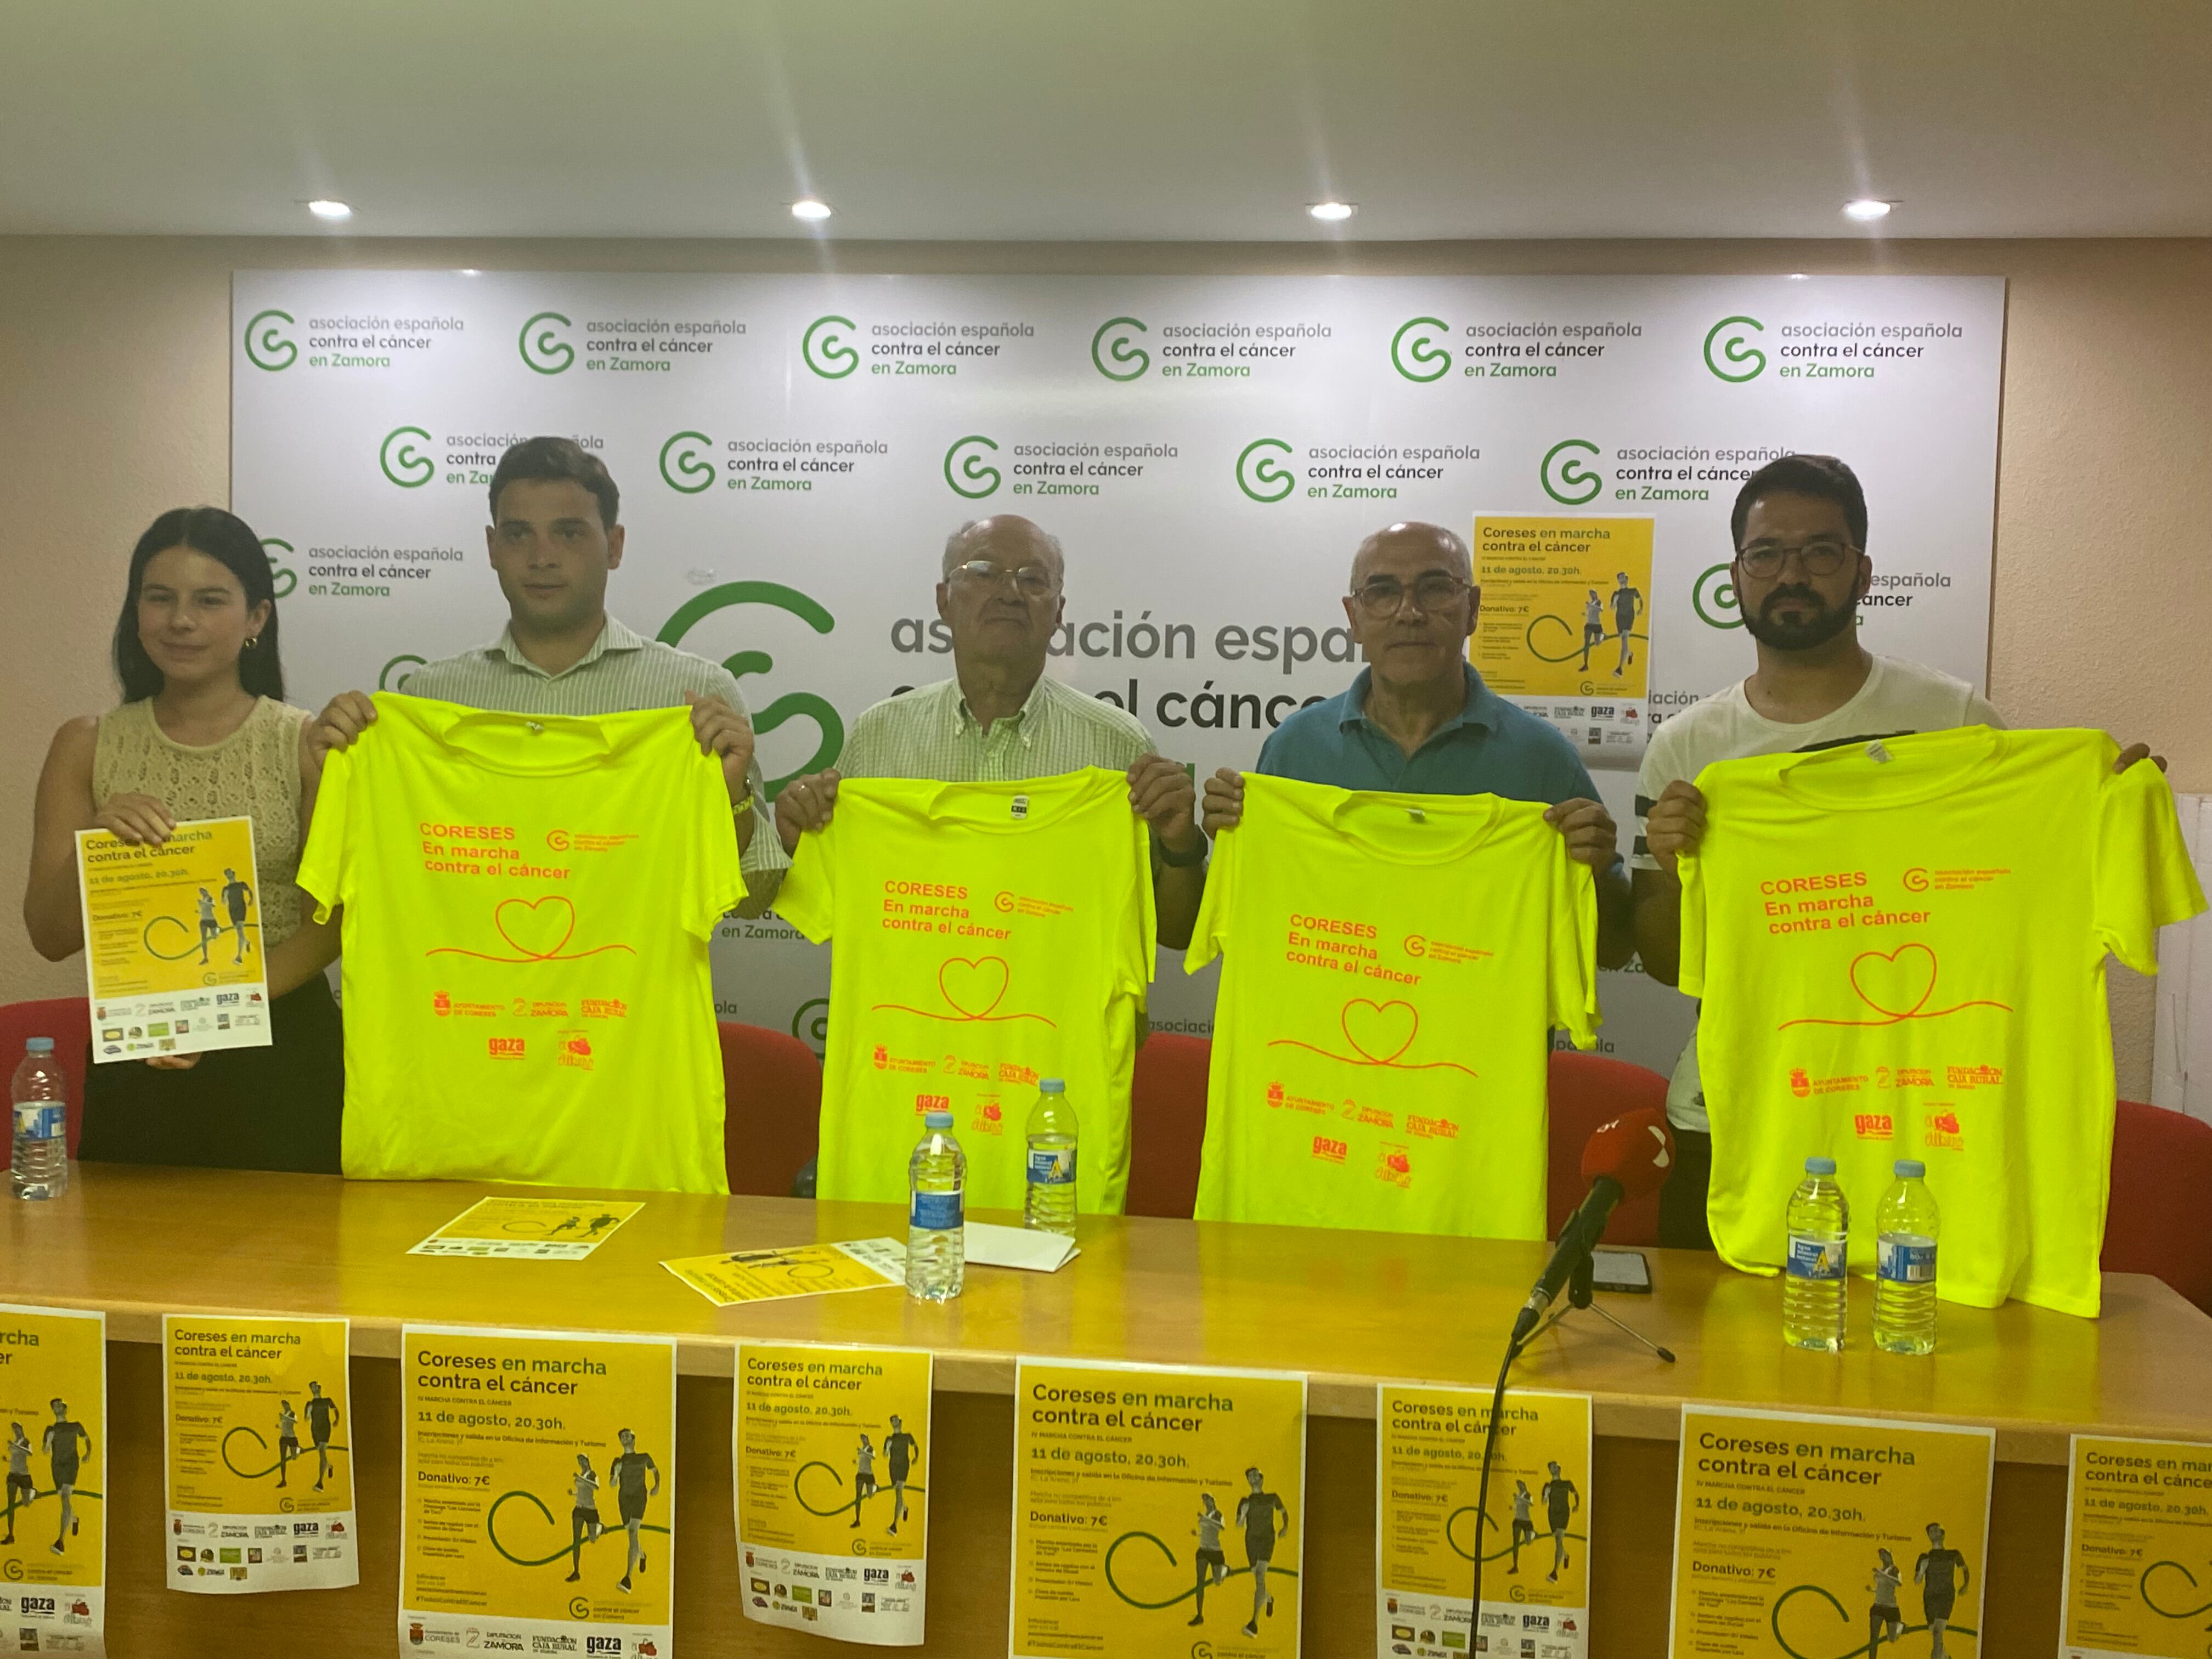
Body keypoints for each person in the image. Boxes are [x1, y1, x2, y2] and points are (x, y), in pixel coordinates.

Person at [1632, 454, 2160, 1247]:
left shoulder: (1957, 722)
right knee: (1721, 1360)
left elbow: (2030, 892)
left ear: (1863, 572)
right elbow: (1672, 967)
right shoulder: (1688, 749)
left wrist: (2109, 813)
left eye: (1822, 551)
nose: (1793, 574)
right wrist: (1675, 876)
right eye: (1767, 554)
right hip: (1740, 1110)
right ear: (1736, 576)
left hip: (1920, 1111)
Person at [303, 437, 787, 916]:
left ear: (614, 546)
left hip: (631, 991)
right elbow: (373, 878)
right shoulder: (427, 699)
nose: (541, 557)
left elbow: (756, 897)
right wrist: (337, 781)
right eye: (517, 535)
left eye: (569, 533)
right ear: (492, 547)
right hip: (469, 987)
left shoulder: (694, 697)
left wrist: (731, 798)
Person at [22, 506, 345, 1172]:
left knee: (292, 1269)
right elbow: (50, 936)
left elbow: (331, 923)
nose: (181, 621)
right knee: (127, 1264)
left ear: (256, 618)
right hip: (141, 1054)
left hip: (283, 1048)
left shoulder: (305, 744)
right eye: (159, 598)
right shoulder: (85, 745)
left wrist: (216, 1007)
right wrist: (95, 844)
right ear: (135, 612)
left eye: (209, 600)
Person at [1203, 521, 1634, 968]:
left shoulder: (1542, 757)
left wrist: (1597, 872)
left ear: (1473, 609)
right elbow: (1251, 926)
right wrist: (1234, 848)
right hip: (1321, 1031)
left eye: (1436, 588)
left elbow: (1616, 951)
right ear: (1354, 618)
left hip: (1486, 1034)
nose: (1410, 612)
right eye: (1384, 592)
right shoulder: (1295, 747)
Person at [775, 515, 1205, 944]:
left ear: (1058, 612)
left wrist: (1181, 847)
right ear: (944, 601)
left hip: (1061, 1012)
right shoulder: (880, 737)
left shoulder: (1118, 744)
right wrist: (803, 843)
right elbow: (836, 913)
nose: (1010, 592)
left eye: (1033, 579)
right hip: (909, 1010)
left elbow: (1174, 932)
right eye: (983, 572)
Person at [1235, 1465, 1289, 1639]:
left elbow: (1283, 1511)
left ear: (1261, 1478)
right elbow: (1238, 1524)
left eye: (1255, 1475)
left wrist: (1285, 1527)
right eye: (1250, 1476)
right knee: (1259, 1579)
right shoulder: (1245, 1501)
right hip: (1251, 1542)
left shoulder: (1272, 1498)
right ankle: (1269, 1598)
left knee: (1260, 1576)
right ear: (1249, 1481)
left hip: (1267, 1540)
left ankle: (1254, 1623)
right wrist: (1243, 1515)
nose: (1253, 1478)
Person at [608, 1428, 658, 1593]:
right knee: (632, 1534)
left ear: (633, 1439)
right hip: (624, 1500)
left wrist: (656, 1485)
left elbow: (655, 1471)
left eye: (627, 1436)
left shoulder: (643, 1457)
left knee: (632, 1533)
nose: (624, 1438)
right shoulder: (617, 1461)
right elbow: (613, 1484)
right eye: (622, 1437)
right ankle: (642, 1555)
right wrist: (616, 1474)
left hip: (639, 1497)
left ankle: (627, 1578)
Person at [42, 1398, 89, 1556]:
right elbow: (45, 1451)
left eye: (59, 1405)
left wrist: (88, 1453)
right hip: (56, 1466)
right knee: (64, 1500)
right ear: (53, 1411)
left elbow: (87, 1439)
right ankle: (74, 1518)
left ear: (64, 1408)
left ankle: (61, 1541)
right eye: (54, 1406)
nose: (57, 1407)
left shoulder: (75, 1426)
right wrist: (49, 1441)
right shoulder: (50, 1428)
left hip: (71, 1464)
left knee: (65, 1498)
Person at [1915, 1522, 1967, 1659]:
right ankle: (1945, 1657)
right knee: (1936, 1635)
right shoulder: (1924, 1557)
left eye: (1937, 1530)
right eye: (1931, 1532)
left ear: (1943, 1534)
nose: (1934, 1533)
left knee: (1938, 1633)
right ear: (1929, 1536)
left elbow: (1965, 1569)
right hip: (1930, 1598)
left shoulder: (1953, 1554)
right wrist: (1922, 1570)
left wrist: (1965, 1585)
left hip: (1946, 1595)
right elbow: (1917, 1581)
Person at [1189, 1492, 1229, 1626]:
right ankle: (1199, 1615)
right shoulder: (1204, 1517)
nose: (1206, 1502)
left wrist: (1206, 1519)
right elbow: (1207, 1532)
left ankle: (1225, 1570)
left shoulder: (1217, 1514)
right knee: (1200, 1582)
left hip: (1215, 1552)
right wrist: (1198, 1534)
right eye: (1204, 1500)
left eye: (1208, 1499)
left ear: (1213, 1500)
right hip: (1203, 1551)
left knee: (1217, 1581)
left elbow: (1221, 1527)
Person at [565, 1454, 602, 1583]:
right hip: (579, 1510)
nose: (581, 1462)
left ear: (588, 1461)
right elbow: (583, 1491)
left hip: (591, 1511)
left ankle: (600, 1528)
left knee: (592, 1539)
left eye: (583, 1460)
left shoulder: (592, 1474)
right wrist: (574, 1493)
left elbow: (595, 1487)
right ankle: (576, 1572)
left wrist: (580, 1478)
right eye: (579, 1460)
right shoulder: (581, 1474)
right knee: (576, 1541)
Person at [1541, 1459, 1579, 1580]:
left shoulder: (1567, 1483)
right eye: (1551, 1468)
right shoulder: (1548, 1485)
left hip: (1563, 1513)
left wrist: (1577, 1505)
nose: (1553, 1469)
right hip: (1552, 1514)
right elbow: (1543, 1502)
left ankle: (1555, 1572)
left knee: (1558, 1539)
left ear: (1559, 1469)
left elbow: (1576, 1493)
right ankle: (1566, 1555)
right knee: (1559, 1541)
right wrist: (1546, 1494)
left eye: (1554, 1467)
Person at [884, 1414, 918, 1537]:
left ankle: (894, 1526)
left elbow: (915, 1447)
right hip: (893, 1467)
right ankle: (905, 1507)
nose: (894, 1422)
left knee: (899, 1492)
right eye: (892, 1421)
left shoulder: (907, 1437)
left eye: (896, 1420)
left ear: (900, 1421)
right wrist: (888, 1447)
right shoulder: (889, 1439)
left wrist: (916, 1458)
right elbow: (885, 1454)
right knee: (898, 1493)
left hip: (904, 1466)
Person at [1868, 1547, 1905, 1657]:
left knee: (1892, 1639)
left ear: (1890, 1556)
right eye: (1881, 1554)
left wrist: (1883, 1575)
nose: (1882, 1556)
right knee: (1874, 1637)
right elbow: (1882, 1588)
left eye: (1885, 1554)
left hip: (1891, 1607)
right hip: (1878, 1606)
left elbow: (1898, 1583)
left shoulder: (1894, 1569)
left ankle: (1901, 1627)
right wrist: (1872, 1590)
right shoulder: (1879, 1570)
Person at [304, 1380, 339, 1491]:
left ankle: (320, 1482)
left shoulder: (327, 1401)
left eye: (315, 1387)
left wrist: (337, 1419)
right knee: (322, 1454)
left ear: (319, 1388)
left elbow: (335, 1410)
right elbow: (306, 1419)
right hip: (315, 1429)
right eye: (312, 1388)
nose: (314, 1389)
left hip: (325, 1428)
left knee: (322, 1452)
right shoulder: (310, 1404)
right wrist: (308, 1411)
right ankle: (329, 1466)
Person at [3, 1423, 31, 1547]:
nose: (16, 1431)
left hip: (24, 1476)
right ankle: (10, 1535)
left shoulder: (25, 1441)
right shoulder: (14, 1443)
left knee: (26, 1504)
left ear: (22, 1429)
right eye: (14, 1429)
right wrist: (8, 1460)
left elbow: (29, 1453)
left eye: (17, 1428)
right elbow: (16, 1458)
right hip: (13, 1475)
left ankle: (34, 1493)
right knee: (11, 1504)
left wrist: (15, 1446)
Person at [1611, 571, 1642, 676]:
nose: (1622, 578)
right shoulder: (1616, 593)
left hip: (1629, 616)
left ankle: (1620, 668)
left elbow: (1640, 599)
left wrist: (1641, 609)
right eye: (1620, 577)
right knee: (1624, 642)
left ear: (1627, 579)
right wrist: (1615, 601)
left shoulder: (1633, 591)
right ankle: (1629, 653)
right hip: (1620, 617)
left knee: (1624, 638)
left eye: (1623, 577)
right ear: (1618, 580)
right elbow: (1612, 608)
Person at [221, 866, 253, 963]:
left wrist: (251, 899)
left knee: (240, 930)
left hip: (241, 908)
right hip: (232, 910)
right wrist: (225, 896)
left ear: (233, 873)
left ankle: (239, 957)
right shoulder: (226, 888)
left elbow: (249, 891)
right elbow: (224, 902)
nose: (228, 874)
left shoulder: (241, 884)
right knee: (239, 932)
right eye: (227, 874)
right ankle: (247, 942)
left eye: (229, 872)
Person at [1508, 1479, 1536, 1574]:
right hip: (1518, 1521)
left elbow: (1530, 1504)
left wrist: (1519, 1499)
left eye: (1521, 1484)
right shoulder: (1518, 1496)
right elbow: (1518, 1507)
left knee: (1528, 1542)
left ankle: (1533, 1534)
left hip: (1526, 1521)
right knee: (1515, 1543)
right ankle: (1515, 1566)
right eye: (1518, 1485)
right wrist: (1513, 1507)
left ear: (1524, 1485)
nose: (1519, 1486)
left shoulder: (1527, 1495)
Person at [850, 1432, 877, 1530]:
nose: (863, 1440)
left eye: (864, 1438)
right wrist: (856, 1462)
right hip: (860, 1474)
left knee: (870, 1495)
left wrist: (863, 1452)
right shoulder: (861, 1450)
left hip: (869, 1475)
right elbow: (861, 1460)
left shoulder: (870, 1448)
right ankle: (857, 1520)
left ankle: (875, 1488)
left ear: (867, 1438)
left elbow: (873, 1457)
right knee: (858, 1497)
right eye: (862, 1438)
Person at [1578, 589, 1605, 671]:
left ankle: (1603, 636)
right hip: (1589, 625)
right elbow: (1590, 614)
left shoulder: (1599, 602)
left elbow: (1601, 610)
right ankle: (1586, 665)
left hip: (1597, 625)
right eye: (1590, 594)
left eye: (1593, 594)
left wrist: (1591, 606)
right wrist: (1585, 614)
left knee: (1597, 643)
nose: (1592, 595)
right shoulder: (1589, 604)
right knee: (1586, 645)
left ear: (1596, 594)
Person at [275, 1400, 299, 1488]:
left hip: (292, 1438)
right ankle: (283, 1480)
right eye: (283, 1405)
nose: (284, 1407)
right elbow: (283, 1425)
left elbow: (295, 1421)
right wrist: (279, 1426)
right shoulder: (283, 1414)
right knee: (283, 1460)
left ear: (288, 1405)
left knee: (294, 1457)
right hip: (284, 1438)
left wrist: (284, 1417)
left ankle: (299, 1449)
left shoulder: (292, 1413)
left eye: (285, 1405)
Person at [194, 886, 220, 964]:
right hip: (203, 921)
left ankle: (218, 930)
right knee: (203, 939)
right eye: (200, 892)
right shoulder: (202, 900)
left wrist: (203, 903)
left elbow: (212, 906)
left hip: (211, 920)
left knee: (214, 936)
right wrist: (199, 912)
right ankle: (205, 958)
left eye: (203, 891)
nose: (202, 893)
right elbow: (205, 910)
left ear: (206, 891)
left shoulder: (210, 898)